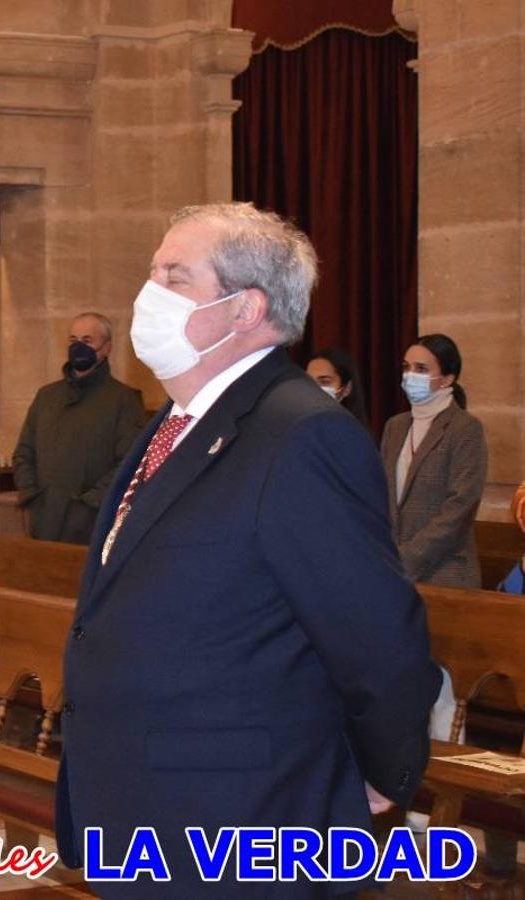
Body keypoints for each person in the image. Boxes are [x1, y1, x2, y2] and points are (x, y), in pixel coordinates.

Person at [55, 202, 441, 897]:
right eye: (152, 273)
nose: (149, 295)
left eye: (176, 277)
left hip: (239, 816)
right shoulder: (172, 423)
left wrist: (384, 774)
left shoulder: (299, 434)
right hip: (143, 803)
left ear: (245, 309)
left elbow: (377, 634)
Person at [12, 313, 144, 543]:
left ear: (106, 348)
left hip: (92, 524)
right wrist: (31, 495)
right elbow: (24, 453)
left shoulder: (124, 400)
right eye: (73, 340)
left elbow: (129, 463)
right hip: (44, 522)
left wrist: (90, 503)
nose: (78, 347)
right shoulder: (47, 397)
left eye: (87, 340)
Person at [379, 334, 488, 587]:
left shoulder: (465, 428)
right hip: (393, 572)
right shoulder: (395, 426)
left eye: (421, 369)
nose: (409, 376)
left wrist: (405, 559)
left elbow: (459, 508)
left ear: (447, 379)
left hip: (445, 573)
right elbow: (383, 495)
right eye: (406, 367)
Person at [305, 346, 369, 427]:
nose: (314, 389)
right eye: (309, 381)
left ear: (347, 388)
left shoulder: (353, 432)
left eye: (324, 382)